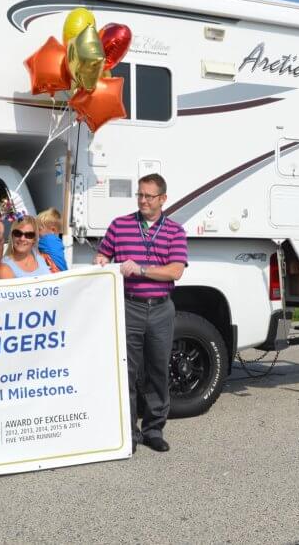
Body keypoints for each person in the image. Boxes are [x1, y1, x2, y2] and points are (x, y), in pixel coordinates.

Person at [94, 174, 187, 453]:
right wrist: (101, 260)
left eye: (149, 196)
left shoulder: (174, 231)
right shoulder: (120, 225)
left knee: (158, 370)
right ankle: (129, 434)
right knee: (128, 371)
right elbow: (103, 255)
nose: (143, 201)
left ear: (163, 199)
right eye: (140, 195)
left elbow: (176, 271)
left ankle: (154, 429)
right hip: (129, 305)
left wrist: (142, 269)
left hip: (160, 308)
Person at [36, 207, 68, 272]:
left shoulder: (47, 240)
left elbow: (31, 246)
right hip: (63, 272)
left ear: (53, 230)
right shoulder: (57, 241)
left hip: (56, 272)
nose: (37, 232)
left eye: (39, 229)